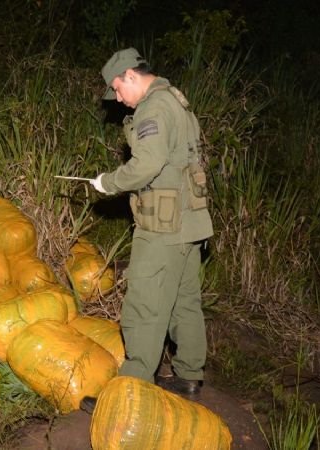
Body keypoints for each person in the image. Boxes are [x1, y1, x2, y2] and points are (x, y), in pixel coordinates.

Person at [81, 48, 214, 412]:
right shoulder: (177, 101)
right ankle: (188, 376)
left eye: (118, 90)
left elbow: (148, 164)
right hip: (191, 223)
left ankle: (130, 390)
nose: (119, 100)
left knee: (144, 303)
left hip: (163, 226)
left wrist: (109, 182)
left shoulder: (154, 108)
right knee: (183, 302)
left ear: (130, 75)